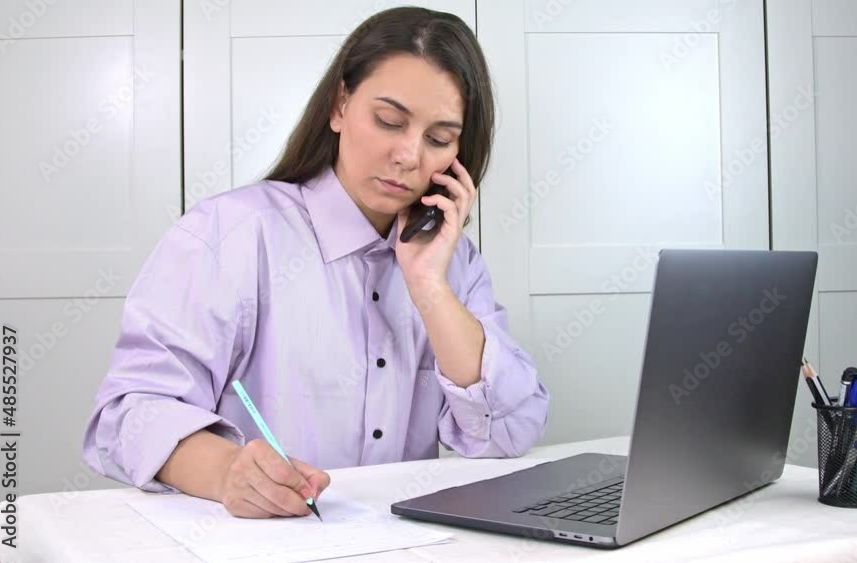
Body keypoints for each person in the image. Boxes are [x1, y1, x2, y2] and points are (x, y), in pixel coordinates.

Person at [81, 6, 549, 519]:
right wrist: (227, 471)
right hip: (258, 543)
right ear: (339, 106)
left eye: (438, 139)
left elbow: (511, 431)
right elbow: (127, 415)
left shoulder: (453, 264)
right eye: (389, 121)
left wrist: (429, 287)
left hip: (405, 545)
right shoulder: (231, 235)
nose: (409, 156)